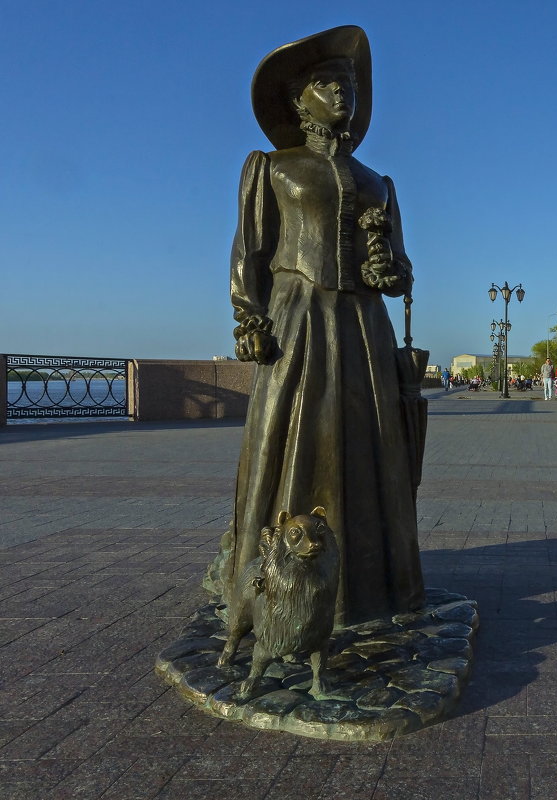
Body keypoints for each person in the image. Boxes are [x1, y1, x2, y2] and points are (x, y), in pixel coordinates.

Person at [220, 26, 424, 625]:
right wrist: (249, 315)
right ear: (297, 100)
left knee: (370, 451)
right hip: (298, 323)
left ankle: (371, 587)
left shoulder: (378, 184)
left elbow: (401, 275)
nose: (343, 94)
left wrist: (388, 266)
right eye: (327, 83)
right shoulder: (273, 168)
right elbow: (249, 253)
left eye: (351, 85)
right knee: (289, 442)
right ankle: (270, 597)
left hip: (364, 330)